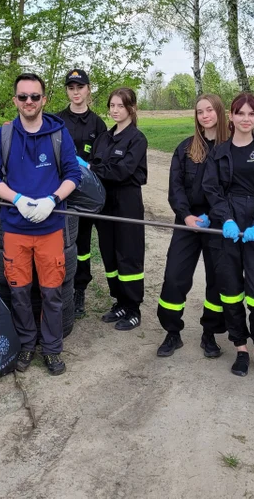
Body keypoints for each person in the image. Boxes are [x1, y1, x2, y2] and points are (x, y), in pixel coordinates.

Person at [0, 73, 81, 376]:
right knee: (20, 292)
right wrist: (17, 199)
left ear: (44, 99)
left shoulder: (59, 134)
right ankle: (26, 344)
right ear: (15, 100)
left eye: (34, 96)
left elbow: (73, 175)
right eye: (23, 96)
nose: (29, 101)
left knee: (52, 293)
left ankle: (51, 350)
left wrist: (53, 199)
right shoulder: (4, 135)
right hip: (14, 228)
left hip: (50, 228)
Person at [202, 93, 254, 379]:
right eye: (240, 113)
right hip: (228, 227)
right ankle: (240, 348)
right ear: (232, 117)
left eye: (252, 114)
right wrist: (225, 219)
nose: (246, 119)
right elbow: (212, 189)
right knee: (230, 289)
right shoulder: (219, 152)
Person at [155, 95, 229, 359]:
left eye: (210, 110)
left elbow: (235, 191)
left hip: (220, 226)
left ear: (220, 112)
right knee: (175, 277)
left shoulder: (231, 148)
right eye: (200, 112)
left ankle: (210, 334)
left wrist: (215, 215)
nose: (205, 115)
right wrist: (186, 216)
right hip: (187, 224)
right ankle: (172, 332)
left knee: (217, 282)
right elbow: (175, 188)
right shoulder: (186, 148)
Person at [90, 87, 148, 331]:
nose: (115, 110)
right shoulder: (104, 137)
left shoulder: (137, 139)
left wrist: (95, 169)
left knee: (128, 254)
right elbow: (95, 162)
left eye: (120, 106)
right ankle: (119, 301)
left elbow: (123, 171)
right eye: (112, 106)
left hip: (127, 203)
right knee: (109, 253)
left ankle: (133, 307)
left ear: (131, 108)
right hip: (105, 202)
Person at [56, 69, 108, 318]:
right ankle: (57, 287)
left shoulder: (98, 124)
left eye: (80, 87)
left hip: (84, 194)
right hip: (58, 191)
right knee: (56, 241)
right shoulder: (55, 120)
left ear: (88, 89)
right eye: (71, 88)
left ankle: (79, 290)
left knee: (82, 244)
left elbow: (101, 159)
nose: (75, 92)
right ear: (67, 91)